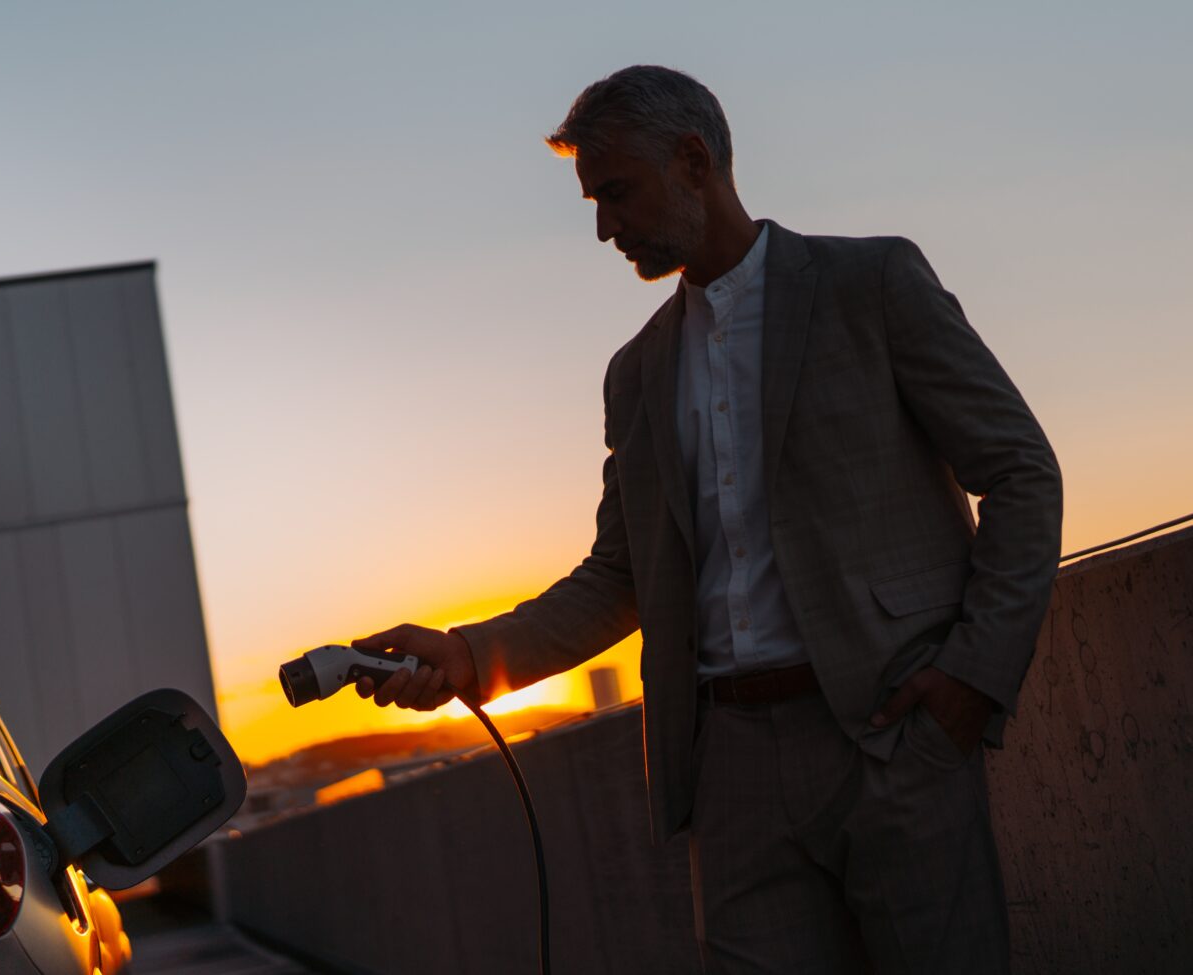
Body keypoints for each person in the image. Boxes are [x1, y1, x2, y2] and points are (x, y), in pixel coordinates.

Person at [353, 65, 1062, 973]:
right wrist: (468, 655)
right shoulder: (636, 370)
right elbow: (621, 576)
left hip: (892, 739)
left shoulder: (871, 281)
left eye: (616, 192)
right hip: (725, 773)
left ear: (694, 161)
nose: (605, 226)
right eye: (593, 202)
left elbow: (1021, 471)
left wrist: (974, 674)